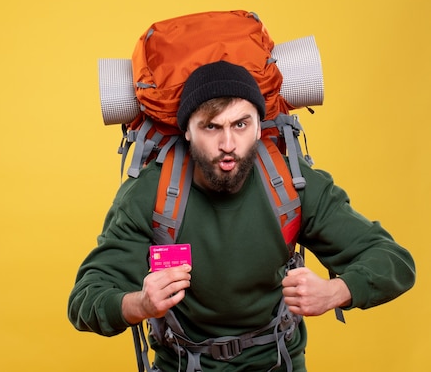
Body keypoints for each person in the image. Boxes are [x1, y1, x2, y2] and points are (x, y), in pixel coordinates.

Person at [67, 60, 415, 372]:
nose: (229, 143)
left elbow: (395, 262)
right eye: (211, 127)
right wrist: (139, 304)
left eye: (241, 124)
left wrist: (336, 291)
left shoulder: (292, 186)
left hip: (276, 362)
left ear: (259, 126)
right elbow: (86, 299)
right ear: (187, 131)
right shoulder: (150, 194)